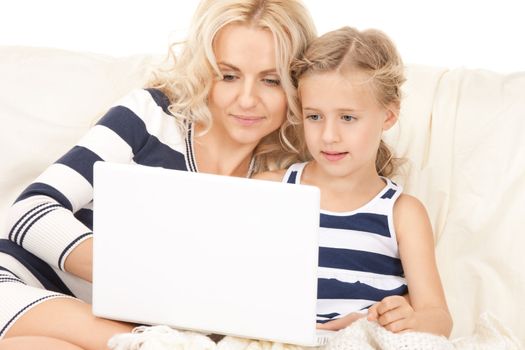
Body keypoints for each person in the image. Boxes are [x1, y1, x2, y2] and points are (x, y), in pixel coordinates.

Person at [0, 1, 317, 349]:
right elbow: (30, 211)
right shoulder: (150, 118)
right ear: (203, 71)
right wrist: (135, 277)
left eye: (270, 81)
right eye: (228, 75)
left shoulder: (285, 178)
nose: (246, 99)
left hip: (130, 330)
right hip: (19, 288)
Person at [255, 26, 453, 336]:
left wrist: (403, 319)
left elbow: (438, 319)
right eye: (314, 116)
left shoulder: (403, 214)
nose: (329, 136)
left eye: (347, 117)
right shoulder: (271, 190)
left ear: (388, 116)